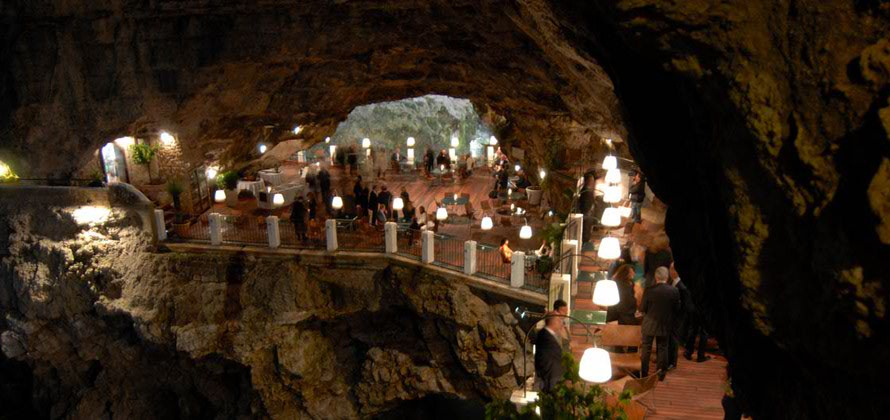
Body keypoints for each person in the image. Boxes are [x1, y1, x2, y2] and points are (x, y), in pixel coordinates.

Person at [640, 266, 680, 380]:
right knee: (663, 348)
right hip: (665, 324)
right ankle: (661, 374)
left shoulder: (649, 290)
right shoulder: (674, 291)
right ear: (667, 277)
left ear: (656, 277)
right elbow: (677, 309)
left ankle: (644, 373)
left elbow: (643, 308)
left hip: (649, 323)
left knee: (646, 348)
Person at [669, 262, 693, 368]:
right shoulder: (674, 283)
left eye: (671, 269)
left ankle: (672, 362)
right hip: (673, 317)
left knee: (674, 340)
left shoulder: (681, 287)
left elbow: (685, 306)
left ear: (675, 271)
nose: (669, 271)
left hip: (677, 318)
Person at [534, 312, 565, 392]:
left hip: (552, 374)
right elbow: (557, 354)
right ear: (553, 321)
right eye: (559, 320)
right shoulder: (544, 335)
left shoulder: (551, 335)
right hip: (550, 375)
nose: (561, 323)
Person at [577, 172, 597, 244]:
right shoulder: (585, 191)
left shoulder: (588, 190)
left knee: (588, 229)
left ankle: (587, 241)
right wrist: (588, 211)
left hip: (589, 214)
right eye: (591, 181)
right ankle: (585, 242)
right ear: (588, 181)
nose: (593, 183)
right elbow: (585, 203)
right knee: (585, 230)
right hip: (586, 214)